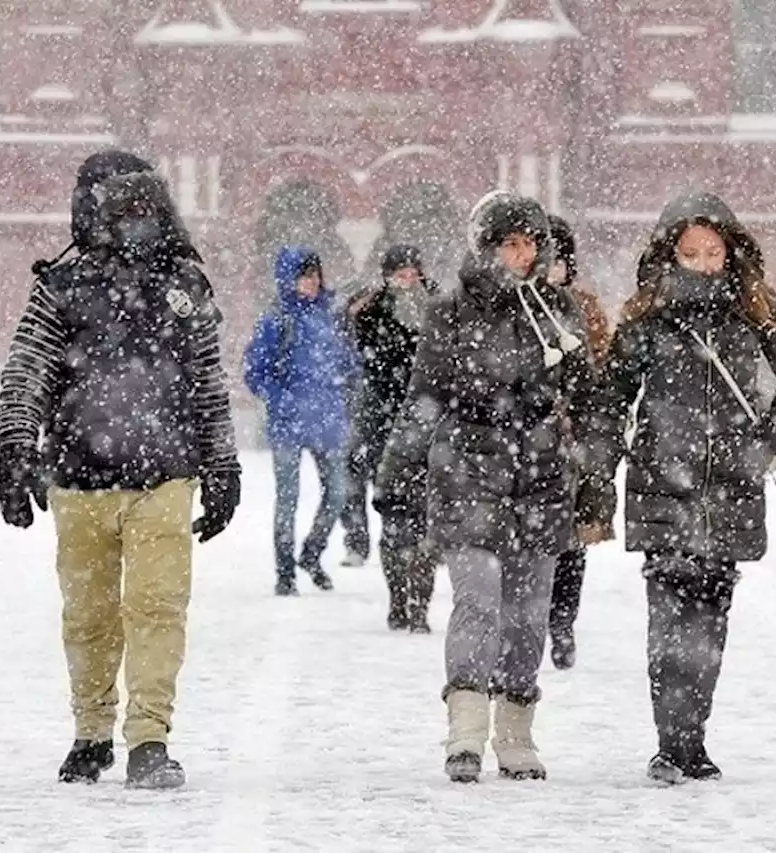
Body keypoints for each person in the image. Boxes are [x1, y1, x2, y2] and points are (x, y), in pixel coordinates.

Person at [0, 151, 241, 790]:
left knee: (157, 607)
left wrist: (222, 466)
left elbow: (207, 383)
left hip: (164, 475)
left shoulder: (185, 286)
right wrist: (15, 449)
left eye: (145, 211)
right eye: (123, 211)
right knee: (89, 614)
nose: (136, 223)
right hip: (80, 477)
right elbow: (28, 370)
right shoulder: (63, 286)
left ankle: (149, 737)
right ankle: (91, 731)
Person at [375, 191, 612, 783]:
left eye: (532, 243)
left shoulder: (559, 313)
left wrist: (596, 473)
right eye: (511, 243)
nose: (523, 254)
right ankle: (466, 730)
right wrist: (397, 466)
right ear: (486, 247)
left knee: (529, 613)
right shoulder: (451, 313)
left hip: (541, 478)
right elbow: (425, 396)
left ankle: (515, 730)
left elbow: (587, 402)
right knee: (478, 600)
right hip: (468, 472)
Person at [592, 189, 776, 785]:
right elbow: (609, 402)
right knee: (669, 617)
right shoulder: (645, 318)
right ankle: (672, 743)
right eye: (689, 252)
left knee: (710, 617)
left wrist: (766, 441)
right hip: (663, 481)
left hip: (729, 488)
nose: (700, 262)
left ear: (729, 251)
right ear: (669, 255)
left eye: (710, 251)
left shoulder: (757, 310)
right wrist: (597, 473)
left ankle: (693, 739)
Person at [244, 247, 357, 597]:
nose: (311, 282)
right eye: (304, 275)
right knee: (288, 499)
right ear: (288, 278)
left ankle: (311, 552)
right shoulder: (276, 319)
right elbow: (255, 372)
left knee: (339, 493)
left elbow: (347, 362)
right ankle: (284, 570)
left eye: (315, 275)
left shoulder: (331, 317)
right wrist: (282, 399)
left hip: (328, 420)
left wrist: (348, 379)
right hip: (289, 423)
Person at [342, 245, 438, 632]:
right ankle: (400, 600)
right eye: (400, 272)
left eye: (413, 272)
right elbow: (356, 338)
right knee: (396, 520)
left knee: (426, 523)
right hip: (384, 427)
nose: (407, 279)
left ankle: (419, 605)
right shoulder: (372, 310)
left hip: (428, 424)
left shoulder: (437, 308)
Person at [544, 215, 613, 670]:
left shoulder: (585, 307)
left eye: (558, 261)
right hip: (529, 439)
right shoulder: (513, 308)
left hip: (574, 442)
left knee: (572, 541)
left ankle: (563, 622)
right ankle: (534, 618)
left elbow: (603, 369)